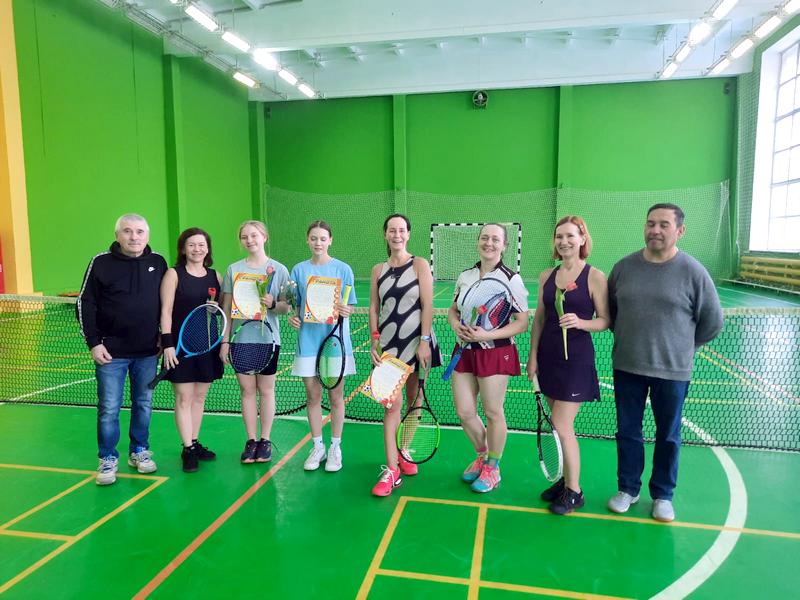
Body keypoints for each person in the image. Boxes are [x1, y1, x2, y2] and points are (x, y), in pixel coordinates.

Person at [607, 203, 723, 522]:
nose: (655, 230)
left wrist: (684, 348)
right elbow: (612, 312)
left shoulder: (694, 272)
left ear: (679, 231)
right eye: (650, 223)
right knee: (627, 431)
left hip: (673, 372)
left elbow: (713, 321)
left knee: (668, 435)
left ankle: (662, 495)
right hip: (627, 366)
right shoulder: (623, 268)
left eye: (663, 225)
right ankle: (628, 489)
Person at [526, 216, 609, 514]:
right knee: (557, 422)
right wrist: (532, 355)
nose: (564, 241)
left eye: (570, 236)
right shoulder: (547, 276)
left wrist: (581, 322)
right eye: (559, 236)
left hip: (576, 361)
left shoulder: (594, 276)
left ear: (582, 239)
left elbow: (605, 320)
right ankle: (564, 482)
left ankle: (575, 491)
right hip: (548, 358)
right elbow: (539, 318)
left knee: (562, 424)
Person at [77, 214, 167, 485]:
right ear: (117, 235)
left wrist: (164, 337)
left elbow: (167, 303)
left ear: (147, 235)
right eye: (127, 231)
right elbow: (85, 304)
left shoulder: (158, 262)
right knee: (109, 408)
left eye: (139, 231)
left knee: (144, 404)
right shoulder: (100, 263)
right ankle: (107, 458)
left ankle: (139, 450)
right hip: (110, 353)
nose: (134, 237)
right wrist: (94, 343)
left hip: (148, 352)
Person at [448, 223, 529, 493]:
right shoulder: (466, 275)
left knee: (493, 411)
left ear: (504, 246)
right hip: (464, 351)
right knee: (464, 412)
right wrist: (455, 325)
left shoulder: (511, 279)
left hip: (496, 352)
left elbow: (521, 323)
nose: (489, 243)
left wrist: (488, 333)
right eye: (485, 238)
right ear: (478, 241)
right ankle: (483, 456)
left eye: (495, 239)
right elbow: (453, 310)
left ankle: (493, 468)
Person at [368, 214, 443, 496]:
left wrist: (424, 341)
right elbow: (374, 307)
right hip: (390, 347)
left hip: (418, 343)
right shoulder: (378, 270)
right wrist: (374, 339)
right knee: (392, 406)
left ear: (408, 234)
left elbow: (428, 304)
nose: (397, 235)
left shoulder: (419, 264)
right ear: (385, 234)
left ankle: (403, 450)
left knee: (415, 400)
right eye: (392, 230)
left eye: (401, 230)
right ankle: (392, 470)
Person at [220, 221, 290, 464]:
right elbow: (227, 309)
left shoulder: (279, 269)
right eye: (244, 237)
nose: (249, 240)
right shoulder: (234, 270)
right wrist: (225, 342)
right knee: (247, 391)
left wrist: (272, 304)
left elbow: (286, 307)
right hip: (241, 340)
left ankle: (265, 440)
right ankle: (251, 441)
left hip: (268, 340)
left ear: (264, 237)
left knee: (267, 390)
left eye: (254, 235)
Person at [289, 221, 356, 473]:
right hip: (308, 341)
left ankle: (335, 448)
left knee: (336, 396)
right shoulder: (299, 270)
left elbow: (349, 306)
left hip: (335, 342)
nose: (318, 243)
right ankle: (317, 447)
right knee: (313, 396)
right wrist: (293, 317)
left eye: (323, 238)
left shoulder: (343, 269)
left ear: (330, 240)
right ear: (307, 240)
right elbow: (295, 306)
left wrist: (346, 310)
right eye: (314, 238)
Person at [159, 228, 224, 473]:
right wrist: (168, 344)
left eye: (201, 245)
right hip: (180, 346)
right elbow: (165, 311)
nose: (197, 249)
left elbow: (220, 311)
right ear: (183, 249)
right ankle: (187, 448)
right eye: (192, 245)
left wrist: (214, 310)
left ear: (208, 249)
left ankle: (194, 443)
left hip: (206, 345)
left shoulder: (215, 276)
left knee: (199, 398)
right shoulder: (173, 275)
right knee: (184, 398)